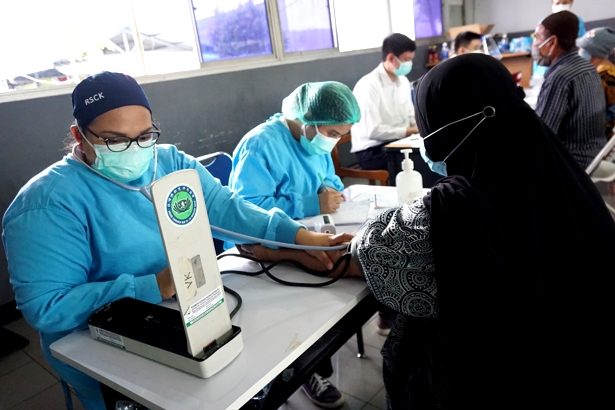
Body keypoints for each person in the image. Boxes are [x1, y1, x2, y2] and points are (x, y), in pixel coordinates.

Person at [240, 54, 615, 408]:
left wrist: (281, 252)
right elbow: (248, 208)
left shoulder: (454, 212)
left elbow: (351, 256)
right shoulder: (567, 180)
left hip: (492, 384)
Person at [1, 72, 347, 410]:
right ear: (80, 136)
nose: (135, 150)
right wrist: (156, 285)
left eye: (146, 135)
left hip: (186, 310)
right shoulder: (46, 204)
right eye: (115, 140)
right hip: (100, 342)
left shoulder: (168, 163)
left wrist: (302, 237)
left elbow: (227, 210)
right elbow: (48, 307)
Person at [228, 81, 360, 409]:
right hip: (260, 249)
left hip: (310, 233)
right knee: (315, 290)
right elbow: (247, 212)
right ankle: (299, 370)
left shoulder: (316, 141)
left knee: (339, 282)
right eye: (331, 133)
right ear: (306, 121)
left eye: (341, 135)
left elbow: (328, 178)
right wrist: (308, 203)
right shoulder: (261, 145)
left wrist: (331, 191)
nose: (334, 141)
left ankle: (312, 364)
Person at [533, 11, 605, 170]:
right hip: (593, 155)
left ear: (552, 42)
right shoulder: (587, 67)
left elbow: (541, 136)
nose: (535, 44)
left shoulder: (559, 77)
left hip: (570, 163)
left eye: (537, 38)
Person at [350, 33, 419, 171]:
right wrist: (409, 131)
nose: (409, 64)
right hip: (372, 151)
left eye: (411, 59)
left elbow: (411, 117)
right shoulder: (368, 85)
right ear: (391, 58)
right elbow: (373, 131)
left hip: (399, 142)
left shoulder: (403, 82)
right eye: (406, 59)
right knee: (418, 161)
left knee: (433, 152)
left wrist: (420, 129)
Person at [577, 27, 615, 140]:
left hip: (597, 139)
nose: (579, 52)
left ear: (595, 54)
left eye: (583, 50)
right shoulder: (602, 72)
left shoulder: (604, 78)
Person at [534, 0, 586, 77]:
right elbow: (538, 50)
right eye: (557, 3)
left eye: (565, 3)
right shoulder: (544, 23)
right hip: (544, 70)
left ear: (571, 2)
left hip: (569, 66)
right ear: (552, 4)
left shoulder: (577, 22)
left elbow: (583, 43)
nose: (561, 6)